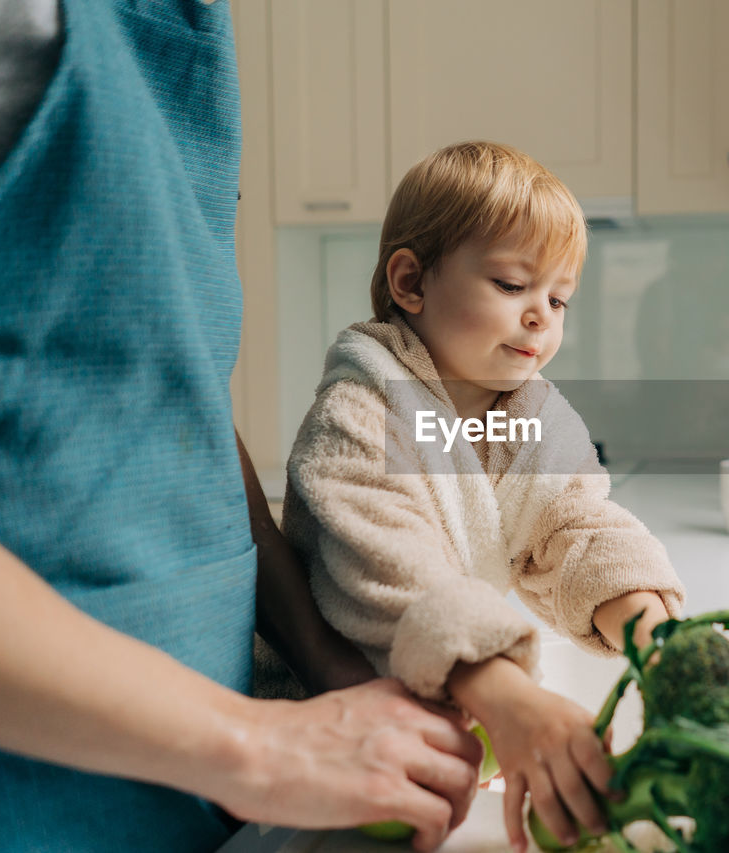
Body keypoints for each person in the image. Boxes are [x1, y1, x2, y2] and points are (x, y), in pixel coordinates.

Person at [0, 1, 480, 851]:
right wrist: (250, 744)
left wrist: (321, 664)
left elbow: (170, 399)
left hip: (204, 789)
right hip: (3, 797)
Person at [280, 141, 687, 853]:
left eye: (557, 299)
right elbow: (394, 569)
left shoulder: (531, 417)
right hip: (335, 729)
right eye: (511, 285)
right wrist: (513, 698)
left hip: (456, 703)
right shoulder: (359, 413)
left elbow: (580, 530)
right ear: (410, 282)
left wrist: (663, 646)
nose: (542, 317)